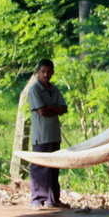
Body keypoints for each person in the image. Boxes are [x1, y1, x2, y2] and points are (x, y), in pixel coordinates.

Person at [27, 59, 70, 209]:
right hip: (41, 135)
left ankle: (53, 200)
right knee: (39, 166)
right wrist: (53, 108)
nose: (46, 74)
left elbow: (64, 109)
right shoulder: (34, 90)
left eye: (48, 72)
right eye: (43, 71)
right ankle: (37, 200)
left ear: (52, 72)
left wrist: (49, 107)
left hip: (53, 135)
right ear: (38, 72)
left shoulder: (54, 89)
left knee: (53, 167)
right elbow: (42, 112)